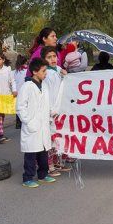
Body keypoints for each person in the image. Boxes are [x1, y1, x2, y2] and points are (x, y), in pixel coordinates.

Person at [17, 58, 57, 188]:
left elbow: (48, 103)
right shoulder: (26, 87)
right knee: (31, 154)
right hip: (32, 126)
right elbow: (20, 107)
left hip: (43, 125)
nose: (46, 73)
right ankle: (27, 178)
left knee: (43, 153)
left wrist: (52, 112)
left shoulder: (44, 86)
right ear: (35, 71)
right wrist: (29, 122)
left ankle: (43, 174)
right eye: (44, 71)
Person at [41, 46, 71, 173]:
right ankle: (48, 165)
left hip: (61, 110)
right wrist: (50, 110)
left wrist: (66, 76)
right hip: (51, 110)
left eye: (54, 56)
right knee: (50, 139)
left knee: (59, 137)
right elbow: (48, 94)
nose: (53, 59)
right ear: (44, 59)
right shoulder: (46, 74)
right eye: (49, 57)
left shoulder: (59, 70)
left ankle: (57, 162)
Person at [13, 54, 29, 129]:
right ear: (26, 62)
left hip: (17, 91)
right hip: (25, 91)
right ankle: (24, 122)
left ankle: (18, 123)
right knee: (25, 106)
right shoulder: (27, 70)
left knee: (18, 107)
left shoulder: (15, 71)